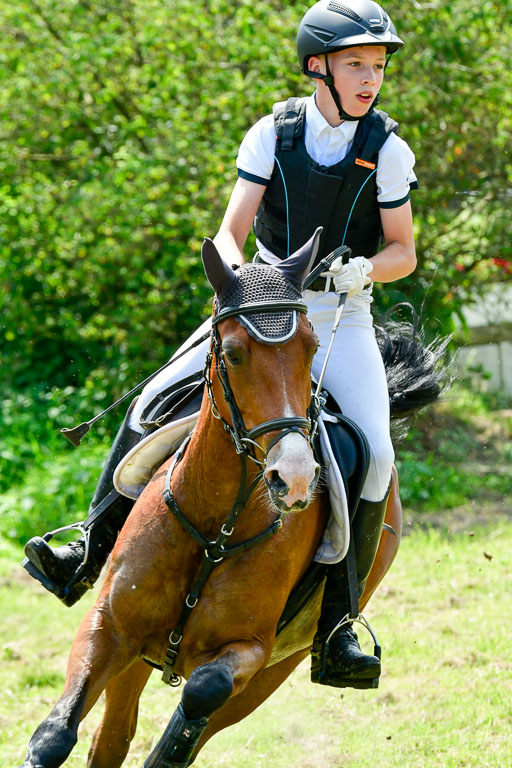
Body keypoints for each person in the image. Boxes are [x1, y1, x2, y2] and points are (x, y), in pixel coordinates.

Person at [23, 0, 417, 690]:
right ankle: (87, 548)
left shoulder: (387, 146)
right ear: (316, 66)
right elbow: (233, 229)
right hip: (261, 303)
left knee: (377, 456)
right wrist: (240, 280)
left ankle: (336, 627)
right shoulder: (272, 132)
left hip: (339, 316)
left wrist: (365, 269)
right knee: (150, 402)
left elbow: (403, 251)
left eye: (378, 66)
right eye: (357, 63)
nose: (370, 78)